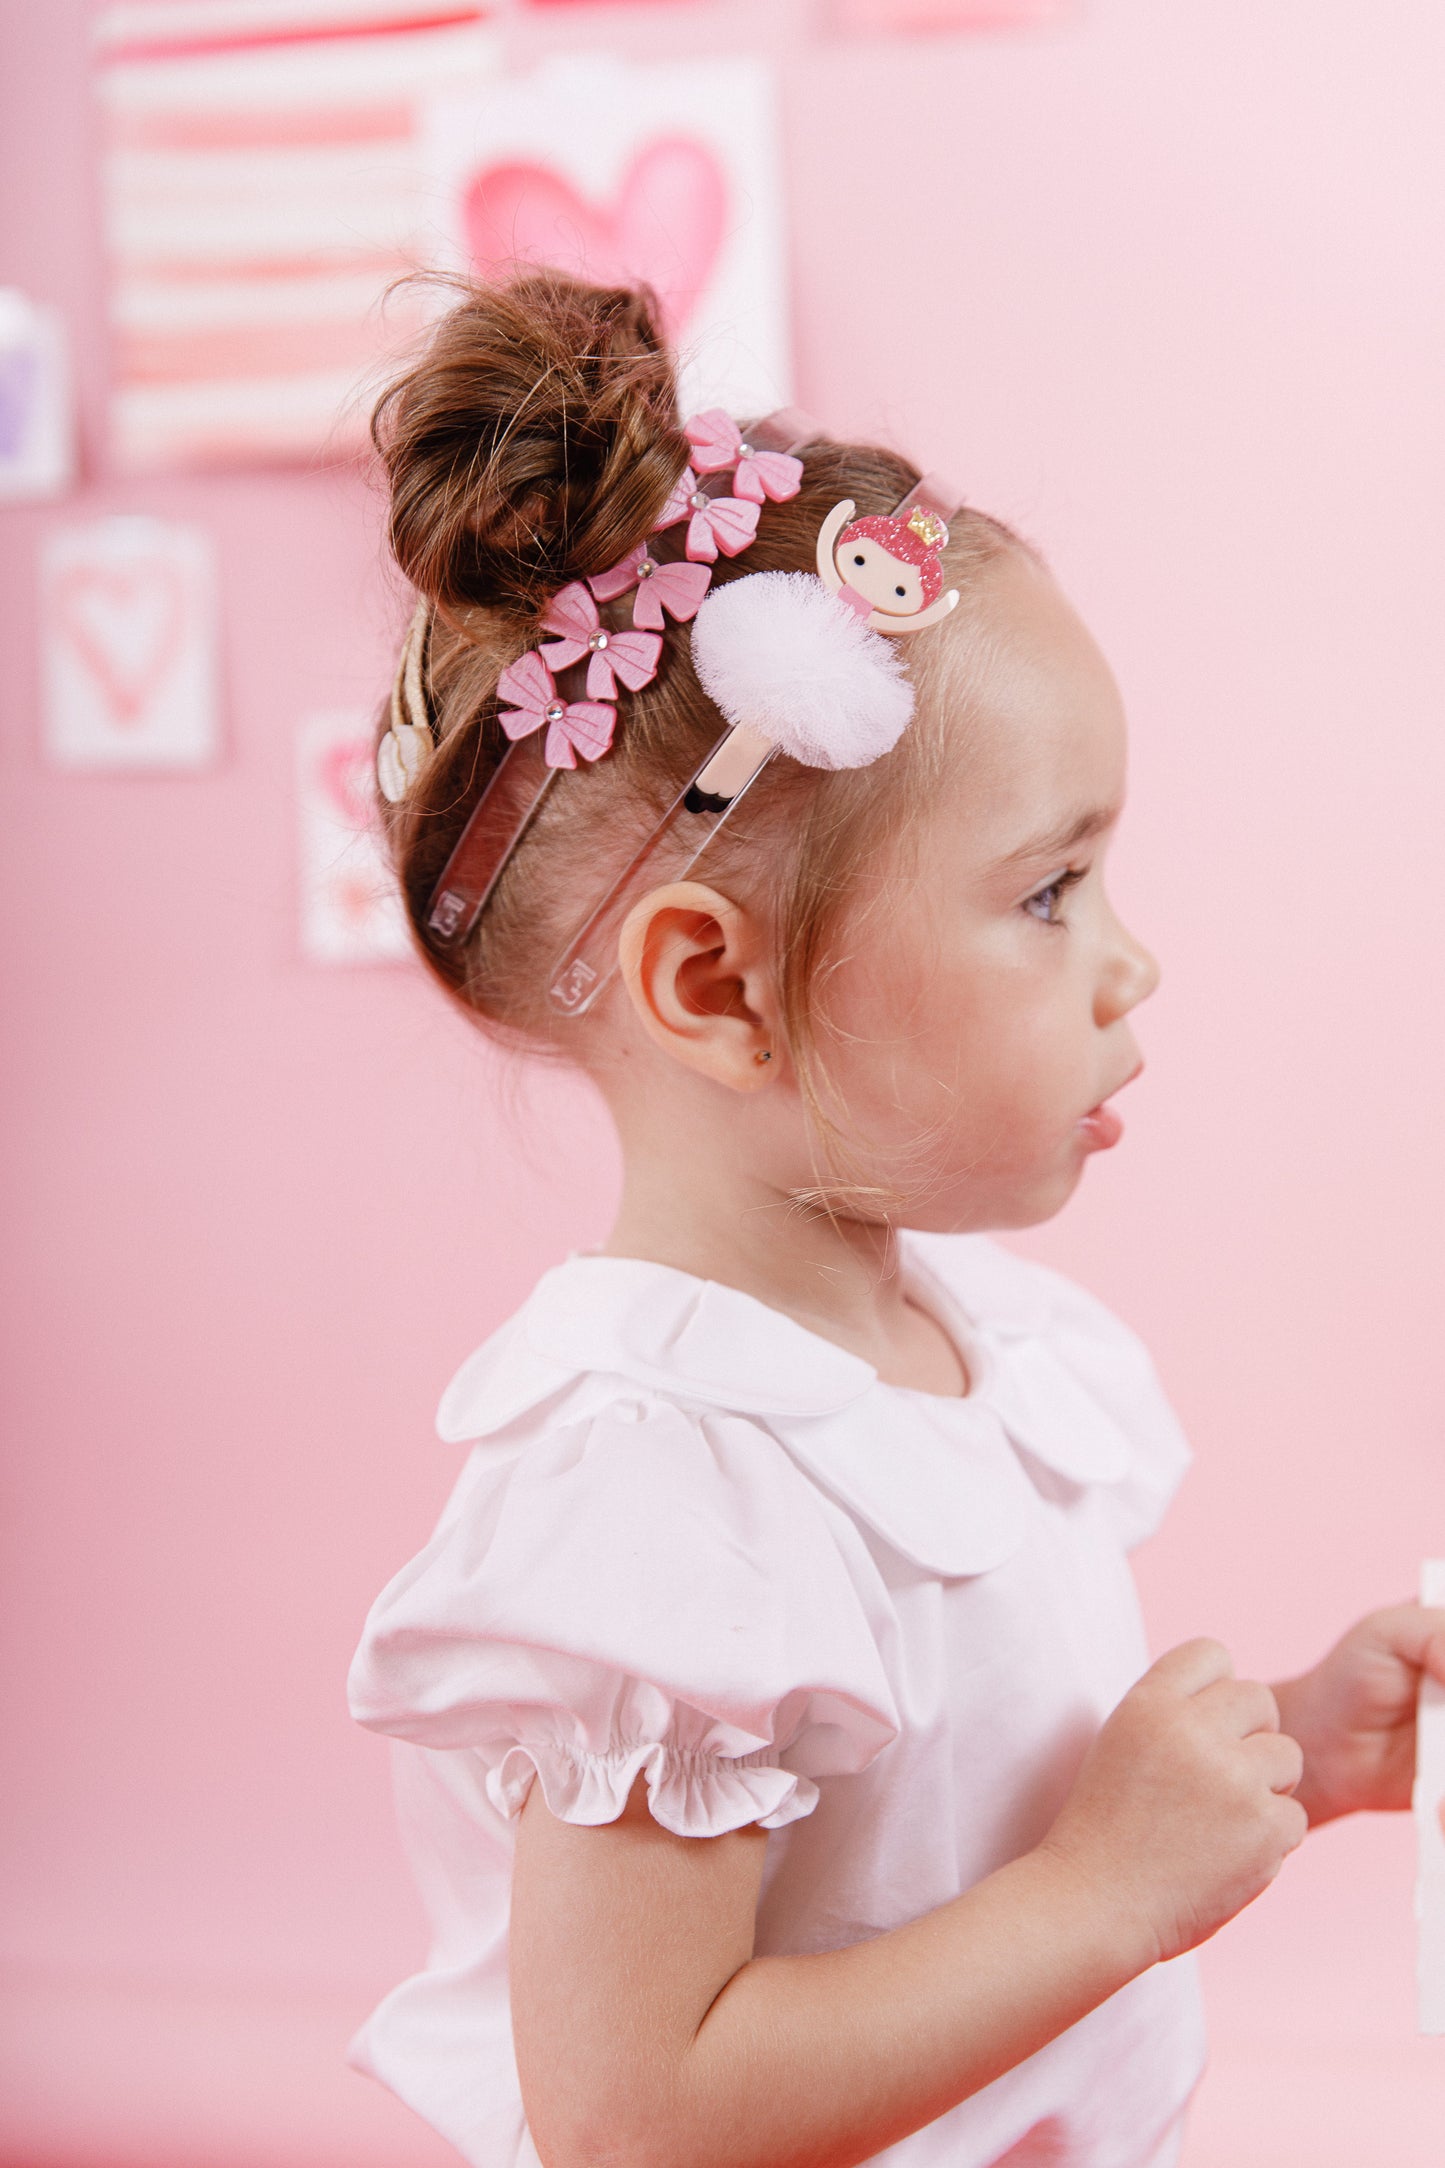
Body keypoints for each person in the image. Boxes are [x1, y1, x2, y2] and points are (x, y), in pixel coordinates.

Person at [346, 269, 1445, 2168]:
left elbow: (948, 1828)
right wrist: (1109, 1892)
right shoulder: (653, 1502)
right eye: (1047, 894)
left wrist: (1290, 1741)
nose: (1131, 962)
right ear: (718, 990)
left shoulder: (951, 1347)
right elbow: (636, 2116)